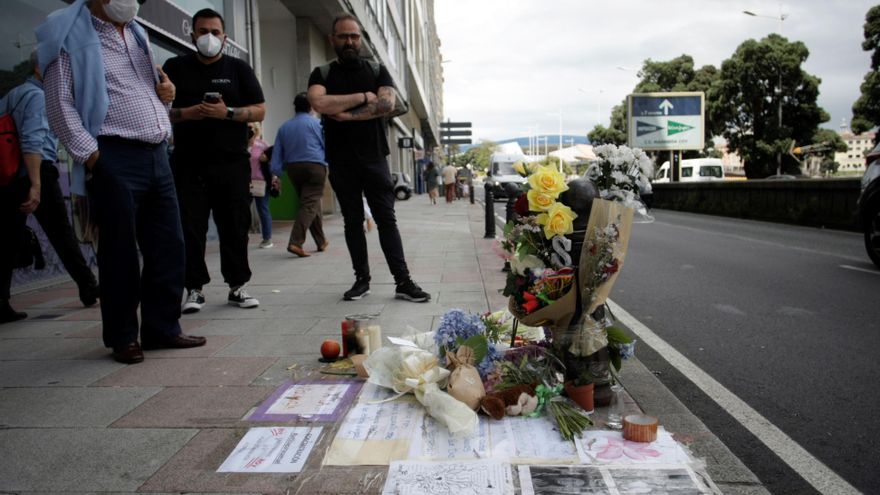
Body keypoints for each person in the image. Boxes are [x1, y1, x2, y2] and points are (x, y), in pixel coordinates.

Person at [37, 0, 206, 363]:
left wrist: (168, 95)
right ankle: (123, 336)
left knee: (169, 245)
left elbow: (149, 89)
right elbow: (59, 104)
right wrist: (94, 157)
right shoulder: (69, 36)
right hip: (113, 153)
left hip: (157, 152)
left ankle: (163, 328)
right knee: (119, 252)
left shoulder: (138, 33)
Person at [307, 13, 429, 302]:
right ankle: (361, 280)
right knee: (352, 221)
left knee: (387, 219)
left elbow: (386, 102)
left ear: (360, 39)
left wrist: (346, 116)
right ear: (332, 39)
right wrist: (364, 97)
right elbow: (318, 102)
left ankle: (403, 281)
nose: (350, 41)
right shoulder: (322, 73)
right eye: (343, 36)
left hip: (375, 157)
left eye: (354, 36)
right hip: (340, 159)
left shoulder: (377, 70)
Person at [162, 8, 266, 314]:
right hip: (188, 163)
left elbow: (259, 109)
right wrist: (188, 113)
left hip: (232, 162)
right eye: (203, 31)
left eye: (215, 32)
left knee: (235, 224)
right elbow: (159, 110)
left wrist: (228, 113)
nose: (209, 37)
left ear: (225, 37)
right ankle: (193, 288)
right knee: (190, 227)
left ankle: (238, 286)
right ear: (192, 34)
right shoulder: (175, 67)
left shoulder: (238, 69)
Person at [0, 51, 100, 324]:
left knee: (7, 239)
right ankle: (89, 286)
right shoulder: (40, 98)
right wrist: (36, 184)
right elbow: (33, 141)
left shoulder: (13, 94)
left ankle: (1, 302)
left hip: (8, 176)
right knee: (62, 233)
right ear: (39, 69)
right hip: (35, 171)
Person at [270, 92, 328, 258]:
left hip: (293, 168)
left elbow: (277, 153)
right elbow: (327, 145)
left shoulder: (284, 127)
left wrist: (276, 174)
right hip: (315, 166)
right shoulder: (317, 124)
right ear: (311, 107)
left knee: (309, 202)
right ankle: (296, 242)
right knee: (309, 204)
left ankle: (321, 241)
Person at [248, 122, 274, 249]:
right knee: (241, 210)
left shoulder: (262, 145)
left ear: (257, 130)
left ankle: (267, 238)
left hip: (260, 182)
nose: (249, 129)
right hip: (244, 182)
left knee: (263, 209)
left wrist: (274, 176)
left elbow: (271, 161)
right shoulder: (241, 145)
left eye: (251, 127)